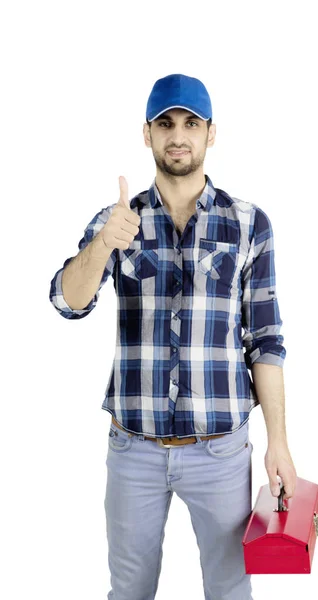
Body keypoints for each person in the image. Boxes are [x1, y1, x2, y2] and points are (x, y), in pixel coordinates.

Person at [49, 73, 297, 600]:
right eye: (166, 123)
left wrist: (278, 442)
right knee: (130, 591)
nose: (177, 135)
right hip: (133, 448)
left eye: (191, 123)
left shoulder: (250, 224)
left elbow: (267, 339)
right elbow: (67, 301)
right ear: (147, 134)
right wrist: (102, 245)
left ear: (211, 134)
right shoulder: (119, 221)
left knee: (231, 591)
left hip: (222, 453)